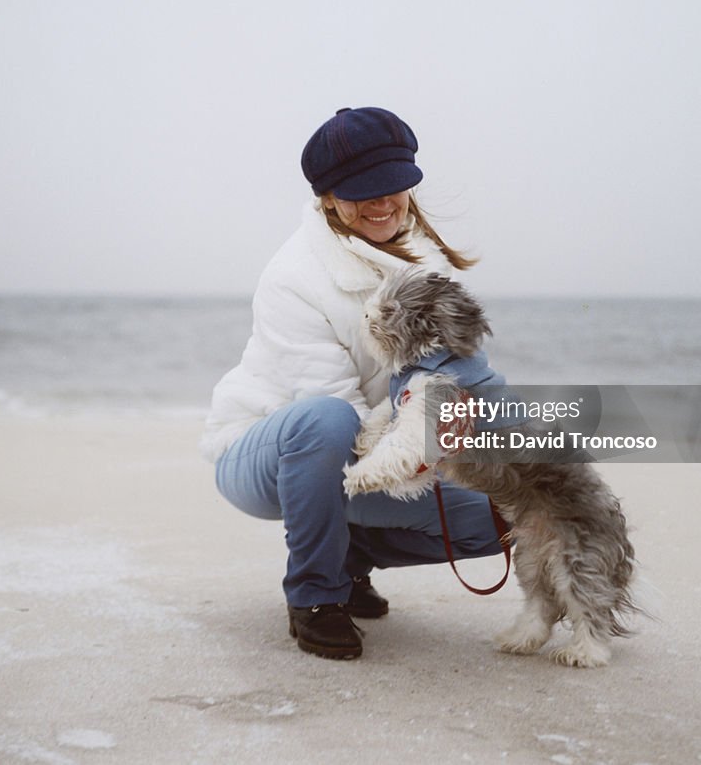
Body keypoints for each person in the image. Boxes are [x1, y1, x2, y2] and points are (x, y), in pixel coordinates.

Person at [202, 106, 507, 660]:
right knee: (329, 419)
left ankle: (348, 558)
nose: (385, 201)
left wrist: (458, 419)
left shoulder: (430, 268)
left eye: (395, 184)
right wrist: (416, 441)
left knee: (510, 511)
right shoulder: (293, 277)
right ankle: (315, 596)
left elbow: (457, 372)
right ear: (328, 197)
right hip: (267, 450)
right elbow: (337, 412)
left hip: (376, 447)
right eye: (365, 190)